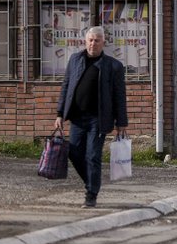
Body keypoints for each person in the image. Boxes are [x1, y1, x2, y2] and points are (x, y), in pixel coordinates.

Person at [54, 26, 128, 208]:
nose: (93, 43)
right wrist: (59, 114)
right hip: (77, 118)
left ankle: (91, 194)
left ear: (104, 42)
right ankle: (92, 181)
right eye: (90, 40)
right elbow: (66, 86)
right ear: (85, 41)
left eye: (97, 40)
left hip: (99, 119)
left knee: (92, 156)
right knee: (74, 152)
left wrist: (122, 122)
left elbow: (119, 95)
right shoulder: (75, 59)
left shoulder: (113, 66)